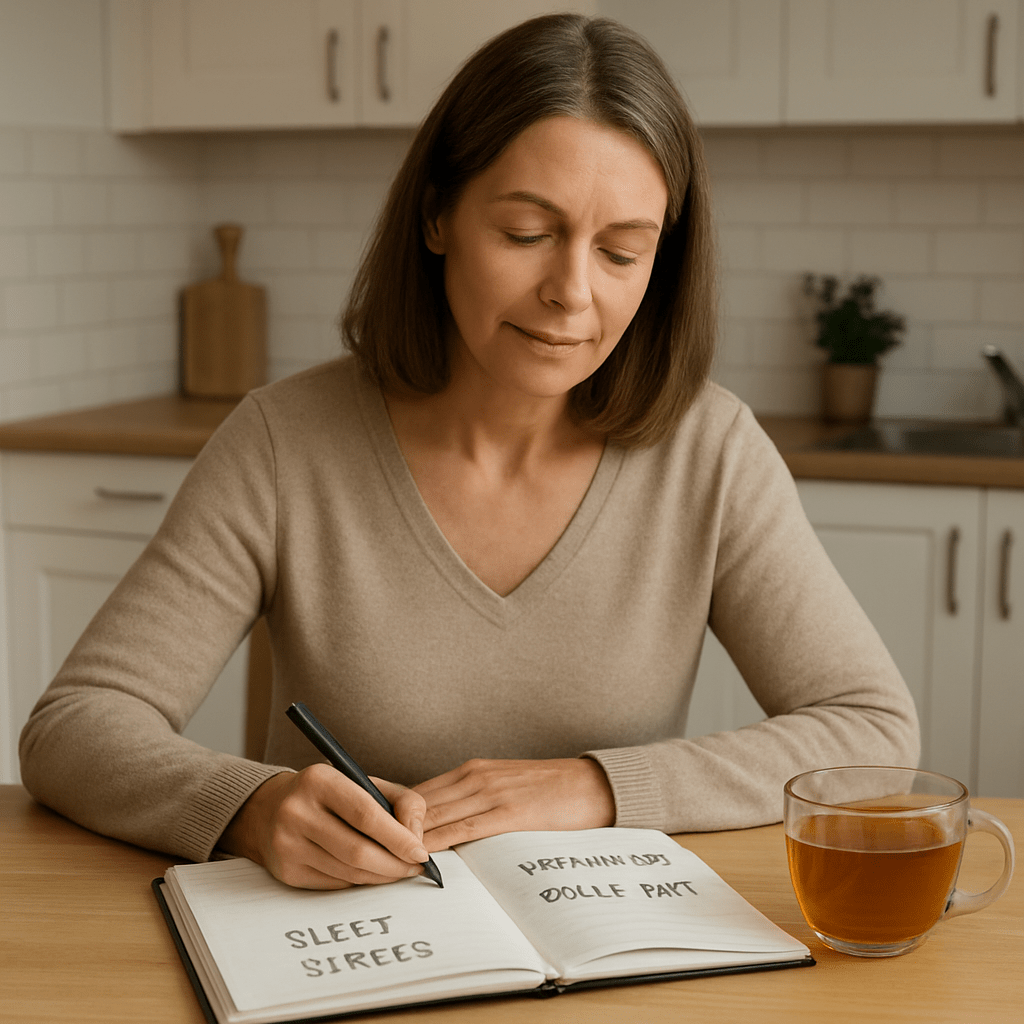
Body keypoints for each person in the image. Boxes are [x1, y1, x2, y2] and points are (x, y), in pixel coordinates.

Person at [19, 14, 919, 891]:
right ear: (438, 215)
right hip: (344, 952)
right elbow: (76, 726)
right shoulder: (283, 442)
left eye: (621, 251)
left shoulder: (711, 452)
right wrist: (248, 806)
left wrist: (595, 787)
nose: (571, 292)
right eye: (526, 234)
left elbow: (872, 732)